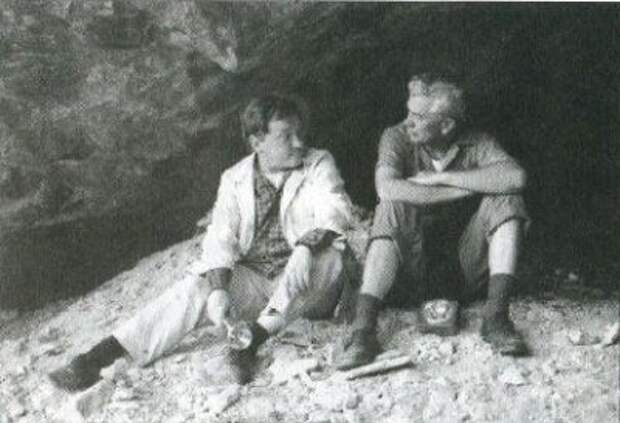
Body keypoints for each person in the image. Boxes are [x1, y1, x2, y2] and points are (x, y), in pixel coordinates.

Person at [50, 94, 352, 391]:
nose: (299, 142)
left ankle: (249, 343)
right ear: (257, 142)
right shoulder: (234, 178)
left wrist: (305, 247)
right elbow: (220, 239)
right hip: (258, 282)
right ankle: (101, 356)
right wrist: (219, 290)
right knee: (196, 287)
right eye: (286, 136)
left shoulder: (318, 163)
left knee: (329, 256)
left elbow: (335, 210)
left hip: (309, 287)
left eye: (299, 133)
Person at [335, 73, 531, 370]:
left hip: (465, 269)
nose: (408, 122)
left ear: (446, 125)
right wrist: (468, 188)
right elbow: (387, 188)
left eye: (418, 116)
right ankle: (363, 331)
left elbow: (515, 178)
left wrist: (442, 177)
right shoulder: (396, 136)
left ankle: (496, 318)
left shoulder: (478, 142)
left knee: (506, 199)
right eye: (408, 112)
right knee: (392, 207)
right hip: (410, 270)